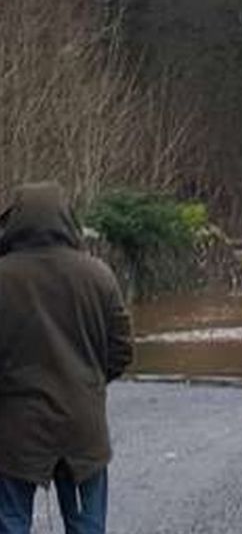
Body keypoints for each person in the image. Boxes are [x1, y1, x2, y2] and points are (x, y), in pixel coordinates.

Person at [0, 182, 133, 534]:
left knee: (10, 520)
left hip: (15, 430)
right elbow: (122, 349)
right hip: (82, 427)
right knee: (85, 524)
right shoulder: (98, 275)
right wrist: (88, 380)